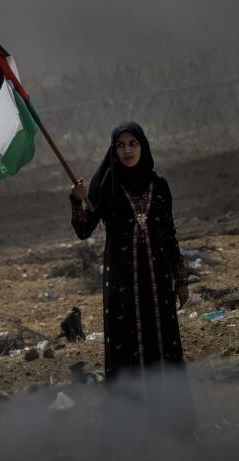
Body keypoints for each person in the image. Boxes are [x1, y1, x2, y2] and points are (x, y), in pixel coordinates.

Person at [70, 121, 194, 438]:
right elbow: (84, 230)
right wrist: (77, 201)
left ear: (143, 146)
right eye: (121, 145)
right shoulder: (106, 188)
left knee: (162, 346)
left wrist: (180, 280)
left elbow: (168, 235)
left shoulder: (160, 186)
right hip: (122, 286)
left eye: (133, 143)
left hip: (157, 288)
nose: (127, 150)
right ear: (114, 150)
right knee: (127, 350)